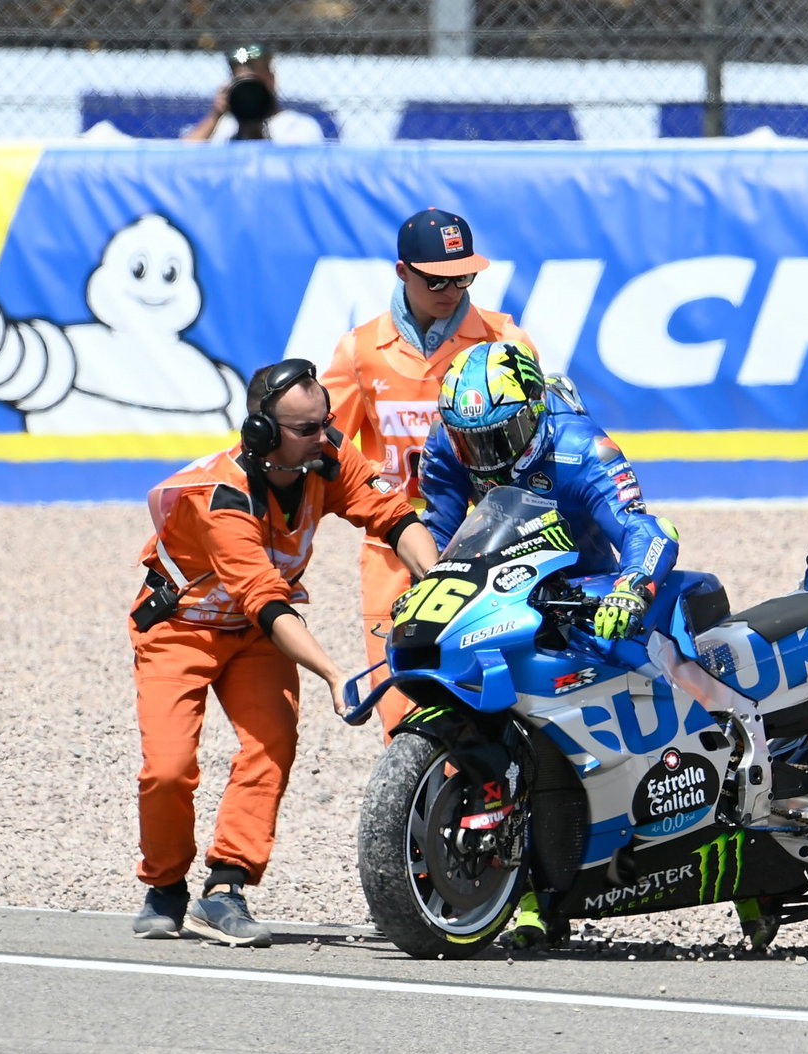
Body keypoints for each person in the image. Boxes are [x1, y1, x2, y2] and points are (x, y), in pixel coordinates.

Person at [128, 358, 438, 947]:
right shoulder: (222, 499)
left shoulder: (327, 456)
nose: (324, 437)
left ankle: (225, 887)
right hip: (183, 628)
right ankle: (165, 885)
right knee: (168, 769)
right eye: (306, 429)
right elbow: (266, 600)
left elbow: (395, 518)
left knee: (270, 744)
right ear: (263, 435)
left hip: (255, 638)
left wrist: (442, 580)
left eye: (326, 422)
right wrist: (331, 671)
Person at [417, 338, 680, 946]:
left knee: (586, 715)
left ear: (534, 412)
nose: (482, 456)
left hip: (584, 592)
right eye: (468, 440)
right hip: (501, 589)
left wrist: (630, 585)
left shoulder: (582, 447)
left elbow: (647, 527)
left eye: (498, 439)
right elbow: (437, 531)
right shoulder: (446, 442)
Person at [320, 206, 536, 740]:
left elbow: (542, 443)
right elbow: (326, 445)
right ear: (402, 272)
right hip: (393, 550)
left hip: (492, 542)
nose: (453, 289)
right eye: (436, 278)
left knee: (499, 698)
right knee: (405, 709)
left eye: (464, 276)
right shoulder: (360, 351)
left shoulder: (504, 341)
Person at [181, 42, 326, 144]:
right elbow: (180, 162)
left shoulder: (297, 126)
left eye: (254, 80)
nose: (249, 90)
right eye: (242, 81)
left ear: (271, 79)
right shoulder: (223, 127)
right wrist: (215, 115)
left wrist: (256, 128)